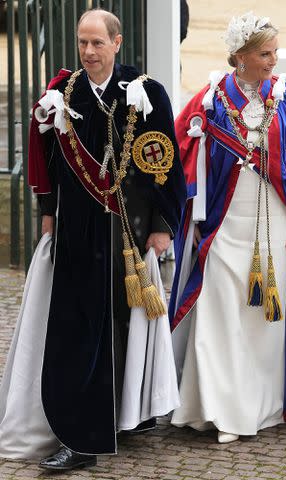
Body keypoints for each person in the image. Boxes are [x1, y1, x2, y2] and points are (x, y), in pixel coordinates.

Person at [0, 8, 186, 470]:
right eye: (82, 43)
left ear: (117, 44)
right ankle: (78, 436)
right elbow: (46, 161)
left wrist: (164, 226)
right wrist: (48, 216)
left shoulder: (144, 93)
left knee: (127, 327)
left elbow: (165, 162)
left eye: (97, 43)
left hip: (129, 233)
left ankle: (128, 416)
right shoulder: (64, 94)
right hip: (80, 233)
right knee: (76, 333)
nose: (88, 52)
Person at [169, 12, 286, 444]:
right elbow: (178, 152)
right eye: (265, 53)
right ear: (240, 57)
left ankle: (260, 406)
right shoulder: (209, 98)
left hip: (275, 226)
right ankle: (215, 407)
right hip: (225, 224)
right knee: (218, 313)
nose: (272, 61)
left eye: (275, 52)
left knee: (263, 322)